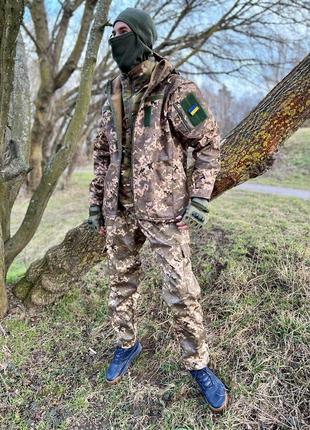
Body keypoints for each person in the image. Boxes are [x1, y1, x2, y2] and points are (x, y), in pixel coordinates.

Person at [87, 7, 229, 413]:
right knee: (120, 284)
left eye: (122, 32)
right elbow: (101, 154)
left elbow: (207, 143)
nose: (115, 39)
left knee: (181, 291)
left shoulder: (175, 89)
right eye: (111, 33)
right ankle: (127, 344)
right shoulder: (113, 91)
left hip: (166, 213)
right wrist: (97, 204)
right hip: (119, 212)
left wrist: (199, 197)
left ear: (143, 38)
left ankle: (198, 365)